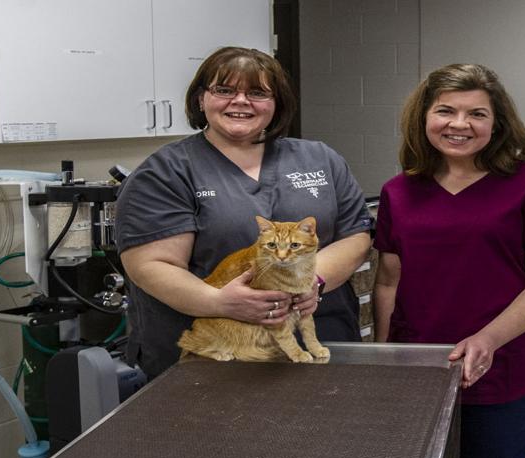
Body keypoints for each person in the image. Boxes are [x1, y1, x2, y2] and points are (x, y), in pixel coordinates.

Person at [372, 64, 525, 458]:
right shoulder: (398, 192)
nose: (460, 125)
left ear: (497, 123)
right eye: (446, 110)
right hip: (421, 362)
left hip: (507, 362)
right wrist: (385, 355)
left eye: (477, 114)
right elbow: (389, 281)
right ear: (424, 118)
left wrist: (489, 338)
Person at [118, 47, 373, 381]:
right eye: (224, 90)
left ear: (277, 103)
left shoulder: (319, 159)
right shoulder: (165, 172)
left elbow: (355, 234)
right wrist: (220, 302)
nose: (240, 101)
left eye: (257, 93)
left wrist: (312, 281)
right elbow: (152, 265)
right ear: (200, 99)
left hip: (319, 339)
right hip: (217, 355)